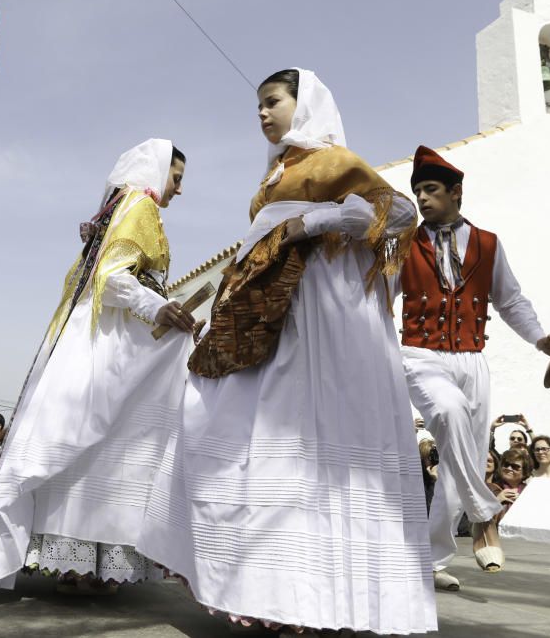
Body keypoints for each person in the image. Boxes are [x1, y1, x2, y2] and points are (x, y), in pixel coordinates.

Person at [136, 69, 436, 635]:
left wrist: (318, 221)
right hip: (264, 308)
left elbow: (398, 214)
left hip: (321, 310)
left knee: (310, 437)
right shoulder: (275, 172)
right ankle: (262, 586)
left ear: (306, 104)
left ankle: (318, 596)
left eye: (272, 101)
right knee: (226, 424)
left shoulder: (332, 160)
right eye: (259, 106)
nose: (262, 114)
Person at [0, 138, 194, 594]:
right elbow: (110, 278)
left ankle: (78, 564)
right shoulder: (141, 205)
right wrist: (159, 308)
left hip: (94, 337)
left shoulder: (115, 207)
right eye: (177, 177)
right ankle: (86, 565)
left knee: (89, 448)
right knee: (109, 445)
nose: (178, 189)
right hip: (112, 342)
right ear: (156, 170)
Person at [397, 144, 550, 587]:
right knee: (448, 411)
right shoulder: (404, 244)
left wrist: (541, 340)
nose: (422, 199)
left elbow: (509, 299)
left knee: (462, 462)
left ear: (456, 193)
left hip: (473, 358)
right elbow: (377, 297)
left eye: (431, 189)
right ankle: (486, 515)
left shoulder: (488, 244)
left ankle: (430, 564)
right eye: (417, 192)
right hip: (419, 353)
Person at [487, 448, 529, 522]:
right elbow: (478, 516)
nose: (509, 468)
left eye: (515, 466)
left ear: (524, 472)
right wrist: (497, 500)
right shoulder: (489, 489)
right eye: (506, 465)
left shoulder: (529, 491)